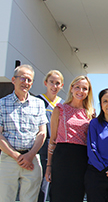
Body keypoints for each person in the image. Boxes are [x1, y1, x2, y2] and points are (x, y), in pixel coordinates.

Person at [0, 64, 48, 202]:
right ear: (13, 80)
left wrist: (30, 155)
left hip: (32, 159)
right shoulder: (1, 104)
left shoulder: (39, 104)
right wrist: (17, 156)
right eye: (22, 78)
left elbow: (42, 133)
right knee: (5, 198)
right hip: (8, 159)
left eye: (29, 80)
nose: (26, 83)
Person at [45, 75, 95, 201]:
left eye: (84, 88)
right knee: (58, 196)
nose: (80, 91)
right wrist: (49, 166)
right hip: (62, 158)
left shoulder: (91, 113)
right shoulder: (59, 109)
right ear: (71, 89)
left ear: (88, 92)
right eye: (77, 87)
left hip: (81, 160)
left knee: (76, 196)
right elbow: (52, 140)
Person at [36, 70, 64, 202]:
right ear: (45, 83)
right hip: (42, 147)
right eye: (51, 82)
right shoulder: (37, 101)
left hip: (59, 148)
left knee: (57, 184)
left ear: (61, 85)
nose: (54, 86)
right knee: (43, 183)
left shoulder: (63, 104)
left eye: (57, 83)